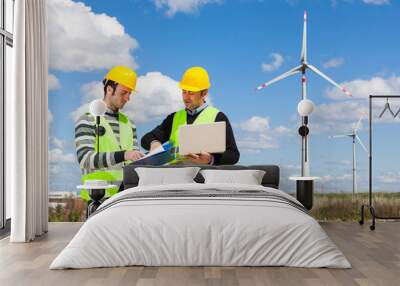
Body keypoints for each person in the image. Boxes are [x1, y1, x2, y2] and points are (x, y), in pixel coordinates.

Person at [141, 66, 240, 165]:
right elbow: (146, 138)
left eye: (191, 93)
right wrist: (154, 144)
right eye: (184, 92)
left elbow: (233, 155)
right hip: (174, 176)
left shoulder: (218, 117)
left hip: (202, 178)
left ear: (204, 93)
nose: (186, 97)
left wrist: (210, 159)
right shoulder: (174, 118)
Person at [75, 66, 144, 201]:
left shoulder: (129, 123)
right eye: (124, 93)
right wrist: (124, 155)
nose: (127, 98)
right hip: (97, 197)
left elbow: (134, 160)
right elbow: (85, 159)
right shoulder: (87, 120)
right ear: (109, 89)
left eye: (130, 93)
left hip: (125, 196)